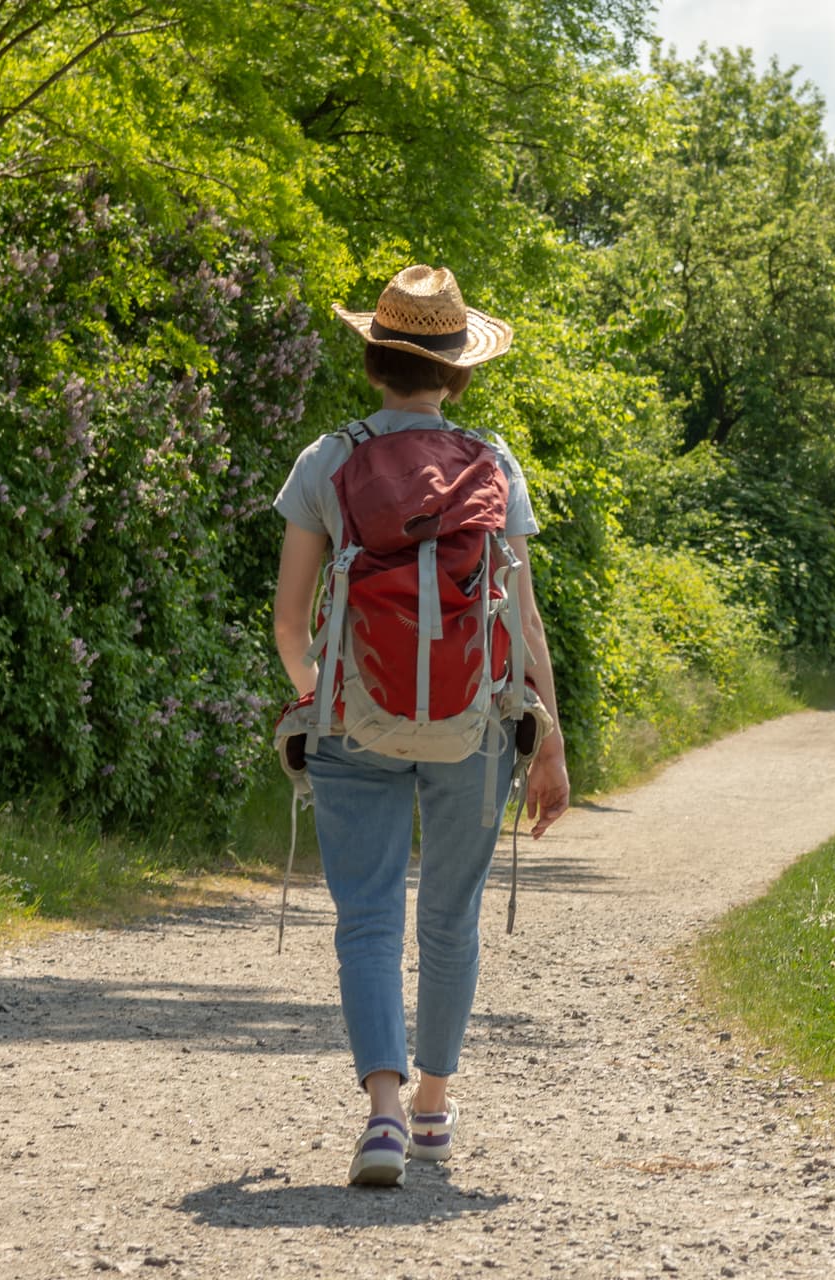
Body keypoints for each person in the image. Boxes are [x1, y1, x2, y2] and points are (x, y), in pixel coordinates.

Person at [272, 265, 570, 1188]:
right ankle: (437, 1110)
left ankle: (385, 1118)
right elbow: (521, 618)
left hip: (352, 717)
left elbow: (289, 620)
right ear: (456, 371)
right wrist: (550, 737)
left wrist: (326, 694)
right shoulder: (494, 462)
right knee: (449, 917)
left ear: (373, 363)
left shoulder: (328, 459)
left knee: (366, 920)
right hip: (474, 724)